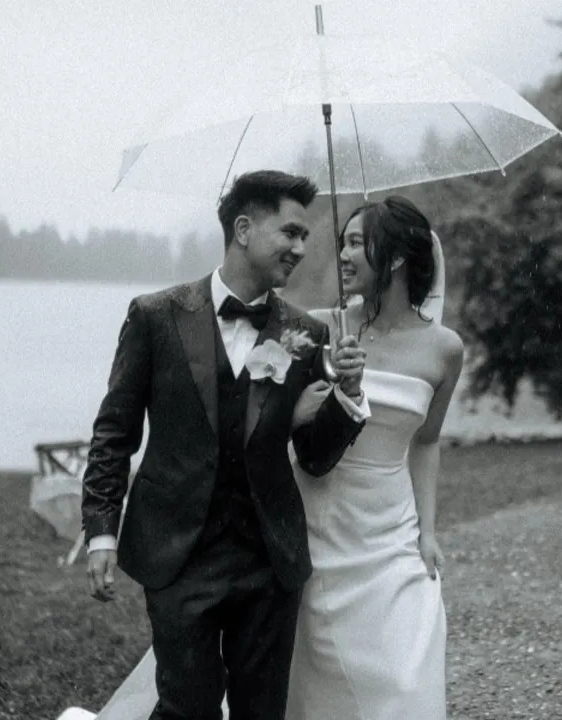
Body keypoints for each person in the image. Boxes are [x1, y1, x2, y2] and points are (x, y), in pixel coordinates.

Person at [73, 170, 370, 720]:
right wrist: (101, 532)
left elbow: (315, 456)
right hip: (177, 555)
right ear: (243, 229)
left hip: (268, 562)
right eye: (290, 233)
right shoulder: (155, 316)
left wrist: (347, 396)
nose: (301, 249)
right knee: (187, 709)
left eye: (305, 237)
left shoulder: (307, 334)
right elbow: (114, 433)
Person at [285, 195, 464, 719]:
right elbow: (275, 422)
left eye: (357, 243)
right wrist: (314, 395)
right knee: (316, 675)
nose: (342, 255)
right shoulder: (318, 330)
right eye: (342, 243)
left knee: (405, 674)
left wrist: (427, 532)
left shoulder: (444, 349)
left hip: (392, 532)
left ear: (399, 256)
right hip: (320, 524)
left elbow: (426, 441)